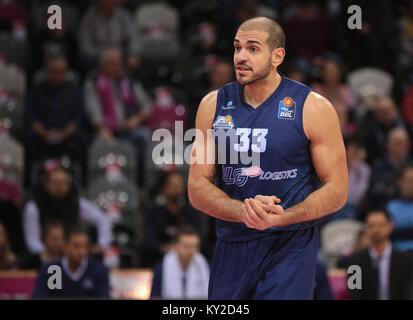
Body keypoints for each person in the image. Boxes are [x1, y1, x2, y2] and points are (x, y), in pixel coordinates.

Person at [188, 17, 348, 299]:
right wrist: (245, 212)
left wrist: (282, 217)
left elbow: (337, 190)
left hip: (290, 244)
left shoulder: (313, 107)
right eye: (237, 48)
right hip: (232, 242)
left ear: (277, 56)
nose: (241, 57)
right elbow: (197, 188)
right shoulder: (212, 105)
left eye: (252, 49)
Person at [84, 47, 152, 186]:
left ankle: (139, 183)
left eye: (119, 63)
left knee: (143, 136)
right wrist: (101, 127)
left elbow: (147, 105)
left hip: (126, 128)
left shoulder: (128, 80)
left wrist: (137, 118)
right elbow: (92, 108)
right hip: (102, 130)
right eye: (113, 63)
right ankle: (97, 185)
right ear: (103, 64)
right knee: (97, 145)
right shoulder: (93, 81)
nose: (117, 67)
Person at [23, 167, 111, 256]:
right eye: (56, 183)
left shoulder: (77, 202)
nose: (60, 186)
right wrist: (45, 254)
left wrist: (102, 244)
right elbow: (32, 240)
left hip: (72, 253)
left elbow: (102, 219)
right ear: (46, 185)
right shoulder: (33, 206)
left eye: (64, 183)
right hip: (45, 256)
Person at [347, 209, 413, 300]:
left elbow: (407, 294)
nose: (376, 230)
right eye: (371, 226)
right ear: (366, 228)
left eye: (381, 225)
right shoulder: (355, 261)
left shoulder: (406, 260)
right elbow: (354, 292)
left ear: (390, 226)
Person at [143, 171, 203, 268]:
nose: (178, 189)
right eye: (174, 186)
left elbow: (199, 235)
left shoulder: (192, 212)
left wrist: (185, 248)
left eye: (180, 186)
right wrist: (164, 248)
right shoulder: (153, 212)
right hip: (159, 258)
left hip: (188, 257)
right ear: (163, 188)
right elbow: (149, 239)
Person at [32, 226, 110, 299]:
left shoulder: (99, 270)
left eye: (85, 246)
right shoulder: (49, 271)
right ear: (65, 246)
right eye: (77, 246)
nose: (82, 251)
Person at [150, 226, 210, 299]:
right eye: (186, 246)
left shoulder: (203, 266)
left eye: (195, 246)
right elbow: (154, 297)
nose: (191, 251)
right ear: (175, 246)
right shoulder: (162, 268)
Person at [387, 163, 413, 252]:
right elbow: (387, 233)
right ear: (399, 182)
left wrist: (398, 230)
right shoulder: (391, 206)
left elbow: (394, 231)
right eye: (410, 180)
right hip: (396, 254)